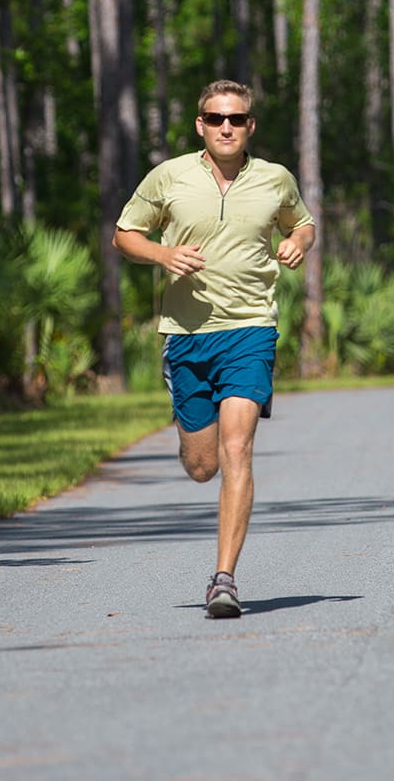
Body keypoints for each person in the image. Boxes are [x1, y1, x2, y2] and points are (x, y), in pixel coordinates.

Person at [113, 80, 315, 619]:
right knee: (202, 465)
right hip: (186, 334)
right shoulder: (170, 176)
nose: (228, 126)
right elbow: (124, 234)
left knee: (237, 450)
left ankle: (224, 579)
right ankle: (183, 418)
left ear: (251, 125)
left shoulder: (275, 178)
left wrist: (297, 240)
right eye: (216, 117)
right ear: (200, 124)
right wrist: (162, 254)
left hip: (251, 330)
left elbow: (302, 221)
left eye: (238, 118)